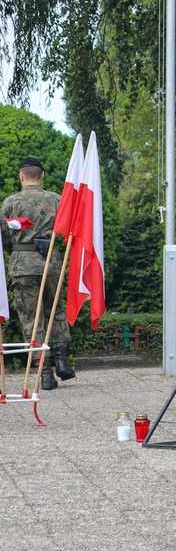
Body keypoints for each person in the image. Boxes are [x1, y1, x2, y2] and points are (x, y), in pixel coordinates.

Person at [1, 157, 74, 391]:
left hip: (23, 265)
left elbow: (3, 236)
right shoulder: (56, 199)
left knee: (32, 319)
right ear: (41, 175)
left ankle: (45, 373)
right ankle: (62, 359)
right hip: (51, 263)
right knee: (56, 310)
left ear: (21, 176)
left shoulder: (10, 203)